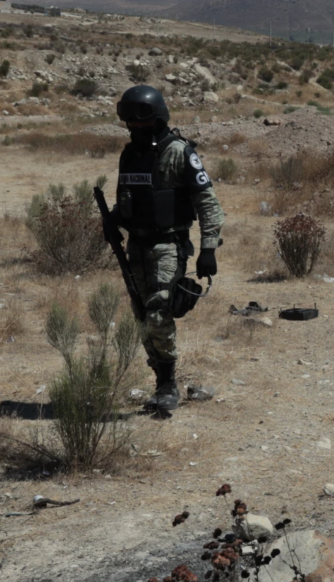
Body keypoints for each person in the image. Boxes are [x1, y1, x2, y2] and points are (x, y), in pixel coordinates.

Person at [110, 85, 224, 412]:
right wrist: (112, 220)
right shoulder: (130, 154)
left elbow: (208, 205)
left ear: (157, 120)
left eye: (140, 124)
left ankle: (168, 383)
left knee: (159, 311)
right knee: (142, 314)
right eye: (130, 124)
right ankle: (159, 378)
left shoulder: (180, 153)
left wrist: (208, 249)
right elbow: (127, 200)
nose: (134, 129)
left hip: (168, 245)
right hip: (136, 247)